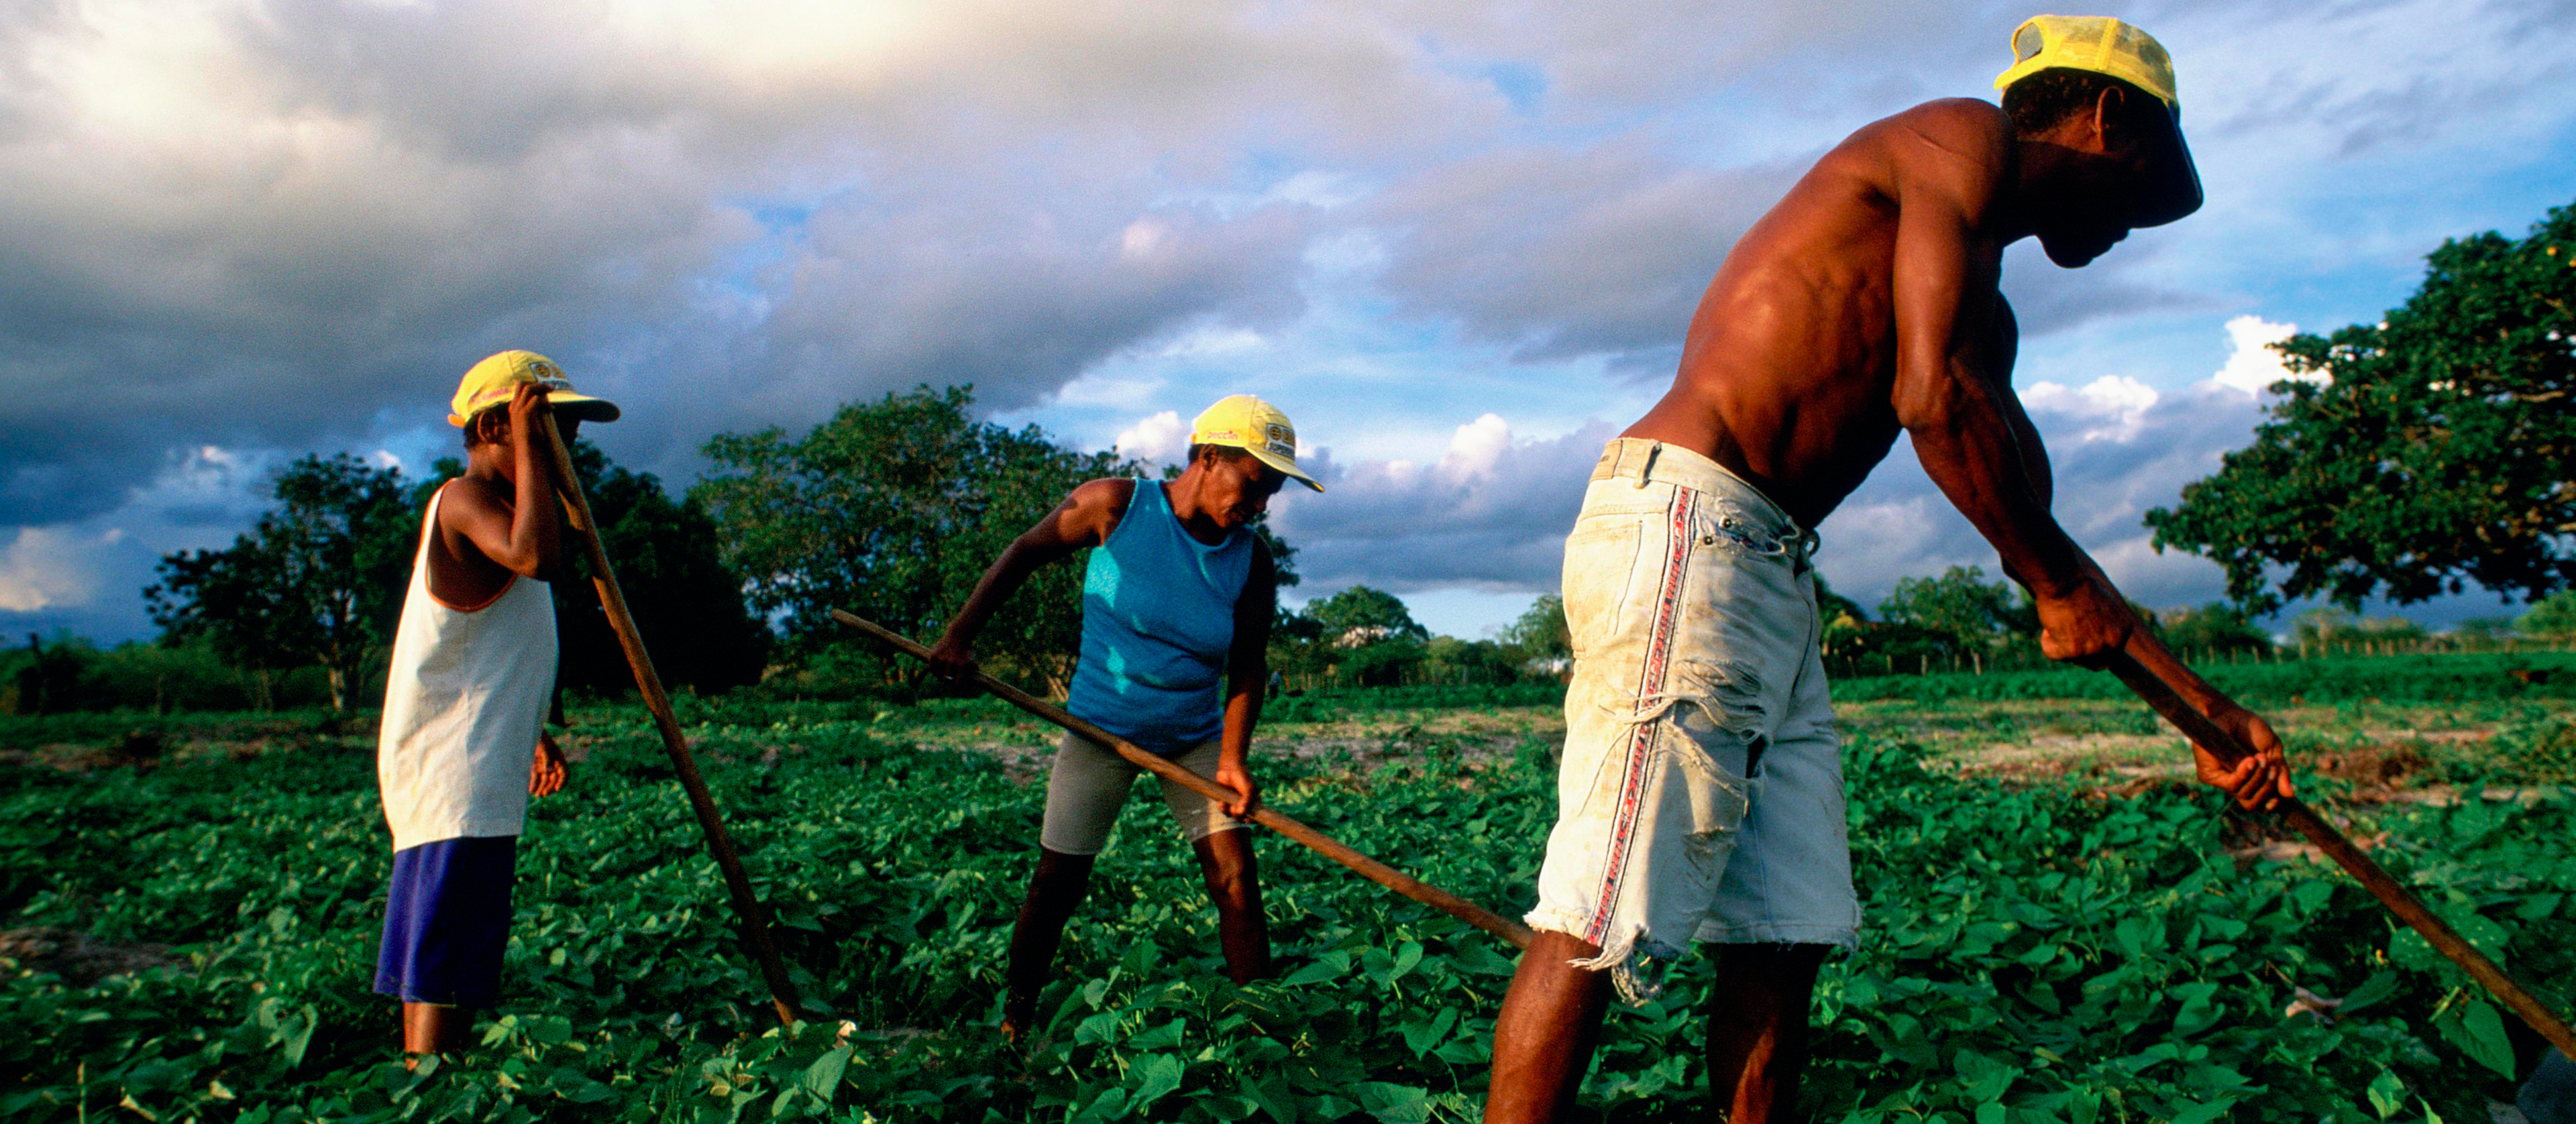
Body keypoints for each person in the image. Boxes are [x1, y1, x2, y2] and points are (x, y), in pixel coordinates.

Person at [1482, 17, 2294, 1123]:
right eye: (2139, 189)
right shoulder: (1956, 139)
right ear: (2109, 117)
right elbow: (1930, 409)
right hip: (1686, 525)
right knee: (1599, 910)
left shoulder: (1981, 323)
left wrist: (2206, 712)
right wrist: (2057, 583)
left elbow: (2035, 533)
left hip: (1767, 567)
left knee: (1786, 927)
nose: (2128, 231)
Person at [926, 394, 1320, 1042]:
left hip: (1192, 739)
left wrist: (1232, 758)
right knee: (1058, 879)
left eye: (1271, 494)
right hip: (1099, 731)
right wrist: (961, 636)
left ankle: (1265, 1039)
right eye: (1254, 486)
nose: (1260, 507)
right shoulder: (1114, 506)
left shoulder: (1251, 560)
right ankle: (1014, 1026)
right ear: (1209, 457)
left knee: (1237, 880)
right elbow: (1023, 553)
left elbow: (1248, 666)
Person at [374, 350, 619, 1058]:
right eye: (547, 430)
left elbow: (497, 647)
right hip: (451, 769)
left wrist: (535, 730)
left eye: (567, 436)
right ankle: (429, 1084)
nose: (564, 450)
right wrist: (530, 449)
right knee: (443, 953)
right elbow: (539, 556)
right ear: (490, 427)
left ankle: (436, 1075)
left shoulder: (510, 513)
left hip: (482, 757)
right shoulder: (463, 500)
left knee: (460, 938)